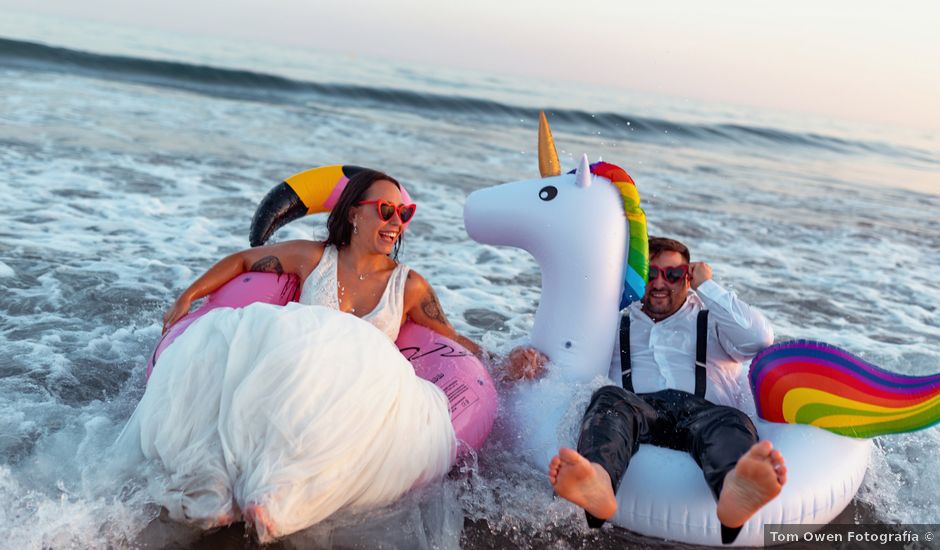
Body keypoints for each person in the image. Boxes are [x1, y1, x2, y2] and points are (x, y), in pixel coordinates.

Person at [124, 169, 480, 542]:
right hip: (295, 374)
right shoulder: (314, 257)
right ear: (353, 214)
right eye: (385, 210)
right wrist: (188, 296)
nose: (395, 222)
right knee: (236, 362)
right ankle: (212, 486)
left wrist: (506, 360)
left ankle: (279, 497)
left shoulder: (409, 286)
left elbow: (453, 341)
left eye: (404, 214)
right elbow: (244, 261)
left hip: (354, 391)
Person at [509, 237, 785, 544]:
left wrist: (708, 286)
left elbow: (759, 340)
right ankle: (598, 482)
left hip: (706, 415)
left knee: (731, 420)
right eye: (650, 273)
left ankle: (735, 489)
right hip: (638, 411)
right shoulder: (612, 320)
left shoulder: (713, 318)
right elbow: (568, 355)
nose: (659, 283)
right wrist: (529, 357)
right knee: (607, 398)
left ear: (689, 277)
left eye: (673, 274)